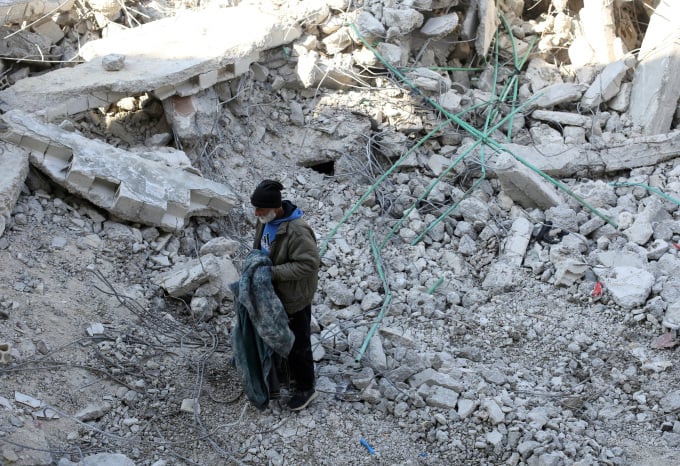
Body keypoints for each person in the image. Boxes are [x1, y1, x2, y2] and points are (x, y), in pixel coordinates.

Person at [250, 179, 321, 411]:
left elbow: (309, 264)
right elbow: (260, 248)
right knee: (279, 336)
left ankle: (306, 388)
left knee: (298, 343)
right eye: (256, 208)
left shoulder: (297, 231)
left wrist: (272, 273)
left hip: (294, 297)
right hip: (274, 294)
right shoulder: (265, 221)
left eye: (260, 209)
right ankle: (285, 375)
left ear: (275, 208)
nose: (256, 213)